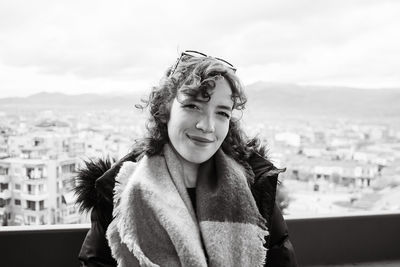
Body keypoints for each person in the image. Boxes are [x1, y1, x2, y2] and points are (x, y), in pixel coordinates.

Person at [74, 50, 298, 267]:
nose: (207, 126)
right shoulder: (120, 189)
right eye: (192, 106)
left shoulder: (254, 187)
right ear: (165, 110)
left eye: (222, 113)